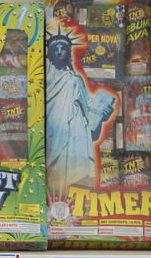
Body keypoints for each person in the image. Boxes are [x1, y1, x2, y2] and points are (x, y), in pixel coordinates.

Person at [45, 31, 116, 197]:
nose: (60, 50)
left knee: (78, 165)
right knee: (56, 164)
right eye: (56, 48)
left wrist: (103, 111)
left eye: (64, 48)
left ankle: (77, 198)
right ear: (50, 53)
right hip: (56, 124)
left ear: (69, 53)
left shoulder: (76, 78)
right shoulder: (48, 73)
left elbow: (88, 103)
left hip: (77, 125)